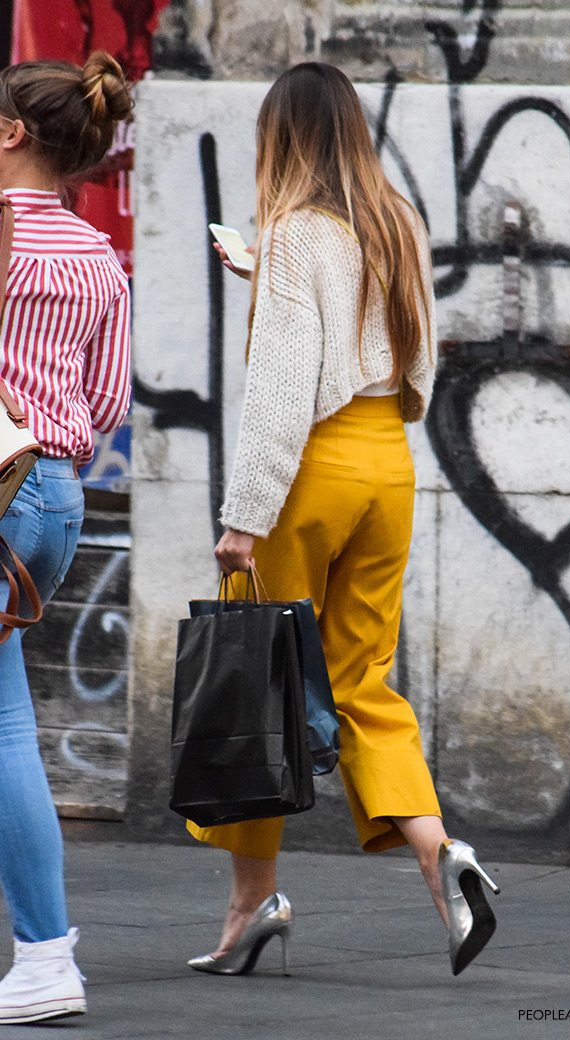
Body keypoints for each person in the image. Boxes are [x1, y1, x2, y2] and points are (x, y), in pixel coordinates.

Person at [186, 61, 499, 979]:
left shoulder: (294, 233)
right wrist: (262, 271)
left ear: (283, 135)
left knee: (262, 683)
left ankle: (253, 904)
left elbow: (284, 389)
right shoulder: (396, 221)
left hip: (311, 471)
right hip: (387, 465)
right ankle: (446, 863)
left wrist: (245, 517)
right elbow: (407, 354)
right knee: (362, 679)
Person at [0, 52, 132, 1023]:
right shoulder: (95, 255)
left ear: (11, 134)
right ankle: (43, 950)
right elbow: (110, 398)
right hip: (55, 497)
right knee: (5, 724)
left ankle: (48, 954)